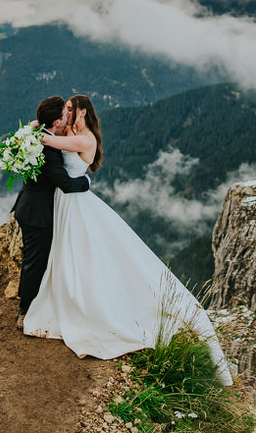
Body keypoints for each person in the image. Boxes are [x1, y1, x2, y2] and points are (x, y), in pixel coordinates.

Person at [23, 94, 233, 385]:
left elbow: (51, 142)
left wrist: (35, 133)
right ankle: (69, 290)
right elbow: (55, 135)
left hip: (75, 200)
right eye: (65, 110)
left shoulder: (85, 139)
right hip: (65, 202)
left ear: (82, 112)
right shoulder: (71, 130)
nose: (67, 113)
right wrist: (41, 125)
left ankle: (85, 301)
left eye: (71, 109)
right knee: (69, 251)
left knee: (82, 251)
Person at [10, 95, 91, 331]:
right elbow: (65, 183)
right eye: (65, 115)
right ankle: (25, 310)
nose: (68, 116)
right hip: (38, 213)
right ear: (56, 122)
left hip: (29, 205)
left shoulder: (35, 136)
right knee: (35, 262)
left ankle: (34, 301)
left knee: (34, 260)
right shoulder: (48, 150)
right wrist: (85, 181)